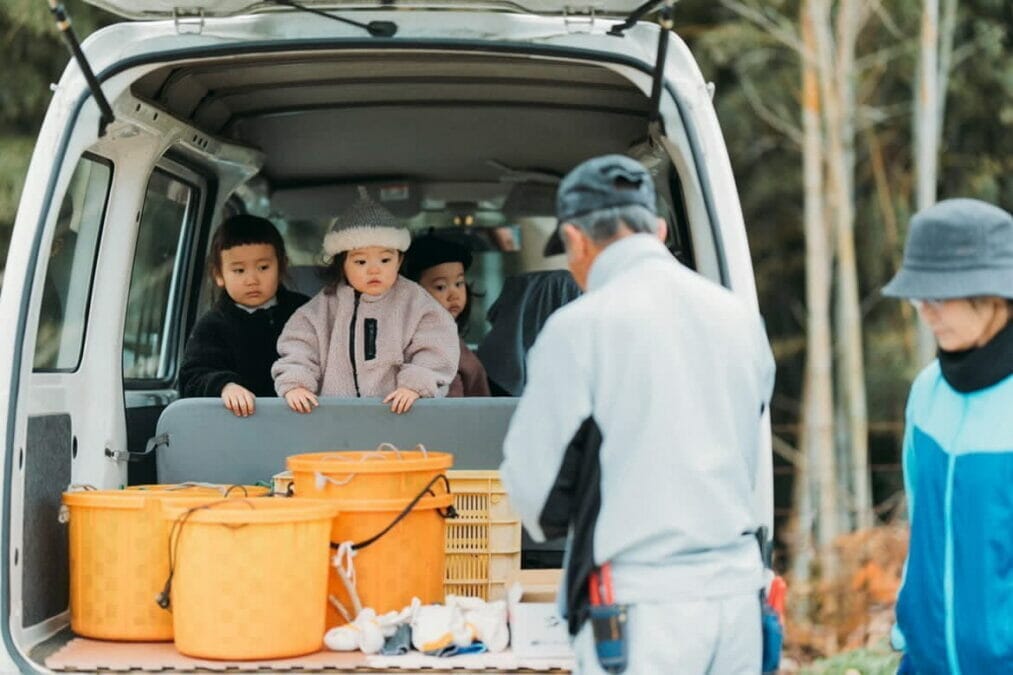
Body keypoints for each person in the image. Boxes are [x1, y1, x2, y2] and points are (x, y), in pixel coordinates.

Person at [499, 155, 775, 674]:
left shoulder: (577, 329)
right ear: (661, 229)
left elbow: (535, 500)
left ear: (576, 240)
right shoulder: (739, 317)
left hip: (642, 608)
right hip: (739, 595)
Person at [882, 199, 1013, 675]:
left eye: (940, 296)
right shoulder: (927, 392)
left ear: (994, 294)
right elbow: (922, 522)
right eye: (919, 298)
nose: (926, 313)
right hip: (925, 663)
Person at [272, 189, 459, 414]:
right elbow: (299, 348)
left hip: (401, 414)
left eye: (385, 259)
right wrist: (296, 384)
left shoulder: (416, 303)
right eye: (360, 261)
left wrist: (416, 386)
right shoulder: (321, 309)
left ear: (399, 260)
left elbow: (437, 346)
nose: (374, 269)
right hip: (334, 419)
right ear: (342, 264)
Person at [179, 214, 308, 416]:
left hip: (304, 419)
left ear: (281, 266)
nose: (252, 279)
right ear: (219, 275)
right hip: (238, 427)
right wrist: (225, 386)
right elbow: (193, 377)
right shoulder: (213, 325)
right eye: (239, 270)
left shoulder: (304, 312)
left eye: (263, 267)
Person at [404, 233, 491, 397]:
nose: (454, 295)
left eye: (459, 283)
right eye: (440, 287)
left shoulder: (456, 343)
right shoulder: (403, 342)